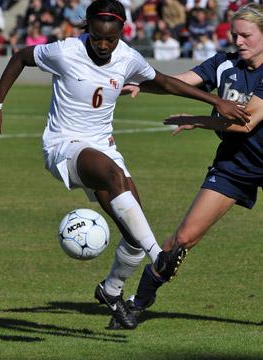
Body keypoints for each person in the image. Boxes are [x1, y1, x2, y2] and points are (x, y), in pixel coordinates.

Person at [0, 0, 248, 330]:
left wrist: (214, 100)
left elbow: (163, 81)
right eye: (96, 37)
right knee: (112, 176)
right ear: (87, 29)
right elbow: (21, 56)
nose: (103, 45)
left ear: (122, 33)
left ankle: (111, 290)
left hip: (104, 146)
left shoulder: (128, 57)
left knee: (132, 231)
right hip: (64, 145)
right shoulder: (65, 51)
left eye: (111, 39)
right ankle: (158, 256)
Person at [113, 2, 263, 330]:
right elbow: (182, 80)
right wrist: (143, 84)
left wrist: (196, 120)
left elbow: (246, 123)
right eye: (234, 34)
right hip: (234, 166)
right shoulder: (224, 63)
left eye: (246, 35)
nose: (238, 41)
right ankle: (136, 306)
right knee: (182, 238)